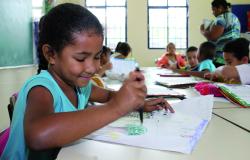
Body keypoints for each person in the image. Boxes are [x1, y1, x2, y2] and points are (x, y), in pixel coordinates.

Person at [1, 3, 174, 159]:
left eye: (97, 57)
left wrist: (137, 104)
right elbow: (37, 136)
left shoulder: (80, 86)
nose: (92, 67)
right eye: (81, 58)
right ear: (51, 54)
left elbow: (109, 96)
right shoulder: (41, 89)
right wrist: (116, 108)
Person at [200, 0, 241, 67]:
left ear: (220, 8)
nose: (213, 13)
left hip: (220, 57)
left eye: (213, 10)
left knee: (218, 77)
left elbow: (213, 37)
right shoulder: (234, 17)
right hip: (233, 56)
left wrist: (202, 30)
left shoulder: (221, 18)